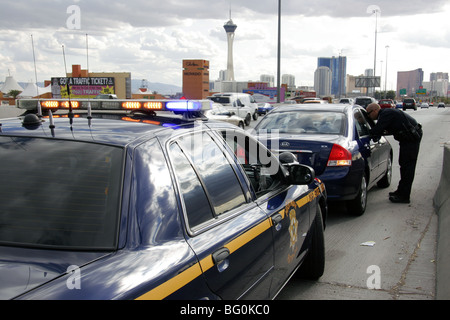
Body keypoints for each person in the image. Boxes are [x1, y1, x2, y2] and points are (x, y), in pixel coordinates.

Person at [366, 103, 423, 204]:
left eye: (369, 114)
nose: (369, 116)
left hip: (411, 140)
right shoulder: (386, 114)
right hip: (407, 139)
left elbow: (376, 131)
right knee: (403, 165)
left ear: (375, 110)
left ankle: (404, 196)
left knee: (407, 167)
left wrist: (368, 133)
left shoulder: (385, 115)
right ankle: (400, 191)